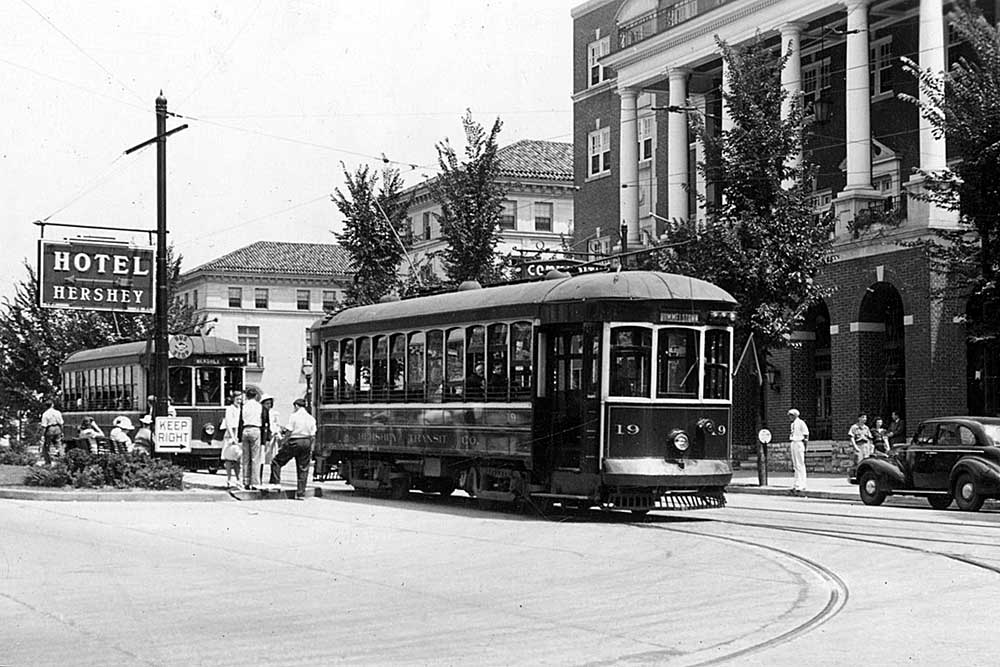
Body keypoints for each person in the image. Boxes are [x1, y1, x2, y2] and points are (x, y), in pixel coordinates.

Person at [269, 397, 317, 500]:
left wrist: (283, 443)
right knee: (303, 468)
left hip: (295, 441)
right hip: (306, 441)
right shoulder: (311, 418)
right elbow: (313, 435)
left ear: (296, 406)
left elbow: (289, 431)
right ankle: (300, 494)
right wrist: (310, 447)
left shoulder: (294, 416)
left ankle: (275, 484)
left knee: (277, 461)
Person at [240, 388, 264, 490]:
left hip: (245, 429)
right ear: (255, 396)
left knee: (246, 458)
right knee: (255, 458)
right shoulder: (259, 406)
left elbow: (240, 420)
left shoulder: (244, 406)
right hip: (255, 429)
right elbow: (262, 418)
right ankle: (255, 482)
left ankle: (246, 481)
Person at [222, 391, 244, 488]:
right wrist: (232, 437)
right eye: (237, 399)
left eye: (240, 399)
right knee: (229, 458)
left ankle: (238, 479)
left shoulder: (241, 409)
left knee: (238, 458)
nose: (239, 401)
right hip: (230, 435)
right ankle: (229, 479)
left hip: (239, 435)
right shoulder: (230, 409)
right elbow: (229, 424)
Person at [787, 409, 809, 495]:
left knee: (800, 464)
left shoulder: (801, 423)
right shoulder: (792, 424)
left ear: (795, 415)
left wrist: (805, 447)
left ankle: (802, 483)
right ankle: (796, 483)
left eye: (791, 415)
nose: (790, 417)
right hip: (793, 442)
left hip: (799, 442)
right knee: (795, 464)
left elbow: (806, 435)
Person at [260, 394, 278, 483]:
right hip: (263, 438)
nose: (269, 405)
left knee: (273, 458)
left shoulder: (274, 413)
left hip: (272, 438)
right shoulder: (261, 412)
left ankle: (273, 478)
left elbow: (275, 424)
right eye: (267, 403)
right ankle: (259, 478)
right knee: (261, 458)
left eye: (270, 403)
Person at [40, 399, 64, 464]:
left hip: (49, 429)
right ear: (52, 405)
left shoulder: (45, 414)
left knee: (46, 446)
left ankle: (48, 462)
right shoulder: (57, 412)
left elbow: (44, 426)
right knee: (59, 445)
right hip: (57, 428)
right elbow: (61, 423)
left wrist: (42, 435)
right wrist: (62, 432)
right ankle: (63, 460)